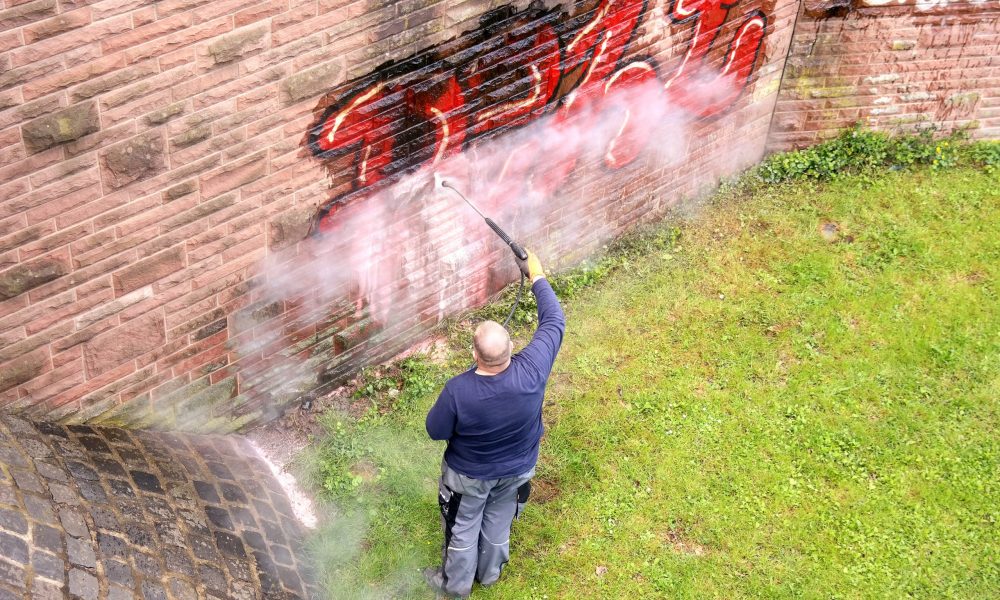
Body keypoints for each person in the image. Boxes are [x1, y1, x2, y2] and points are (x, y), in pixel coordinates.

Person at [424, 250, 565, 598]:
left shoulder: (458, 391)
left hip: (469, 478)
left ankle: (455, 588)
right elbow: (554, 321)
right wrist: (537, 275)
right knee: (498, 520)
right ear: (512, 348)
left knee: (462, 527)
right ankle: (488, 575)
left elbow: (435, 431)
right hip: (518, 469)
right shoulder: (533, 368)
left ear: (474, 355)